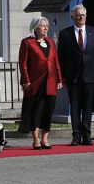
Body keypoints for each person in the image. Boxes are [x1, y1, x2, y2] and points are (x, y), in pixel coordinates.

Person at [57, 4, 94, 146]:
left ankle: (87, 135)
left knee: (88, 107)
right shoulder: (65, 34)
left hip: (90, 75)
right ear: (72, 17)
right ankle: (76, 135)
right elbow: (61, 57)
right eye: (78, 15)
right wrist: (62, 77)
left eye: (83, 15)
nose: (81, 17)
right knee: (75, 107)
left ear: (86, 16)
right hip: (73, 77)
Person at [18, 17, 63, 149]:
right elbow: (23, 63)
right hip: (35, 82)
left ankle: (45, 139)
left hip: (51, 81)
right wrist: (26, 80)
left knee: (48, 111)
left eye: (47, 26)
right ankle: (36, 139)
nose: (45, 28)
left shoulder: (51, 42)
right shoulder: (27, 42)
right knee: (35, 110)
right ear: (35, 27)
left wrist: (59, 79)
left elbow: (56, 61)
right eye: (42, 26)